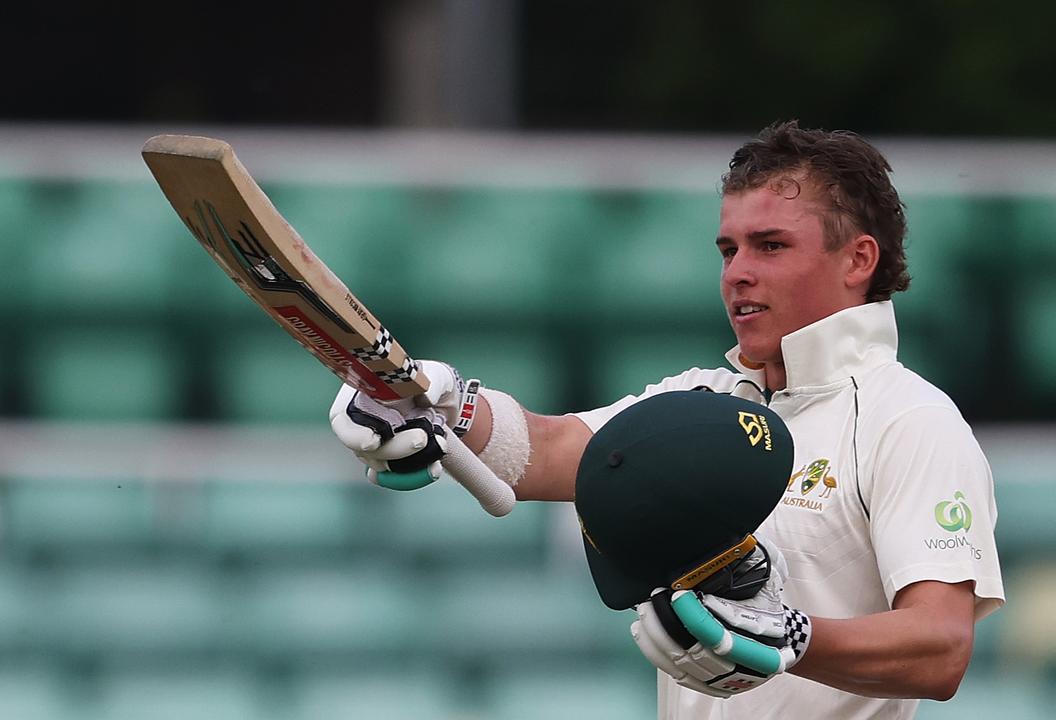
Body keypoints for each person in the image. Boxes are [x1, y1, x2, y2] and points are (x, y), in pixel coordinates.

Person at [330, 121, 1005, 719]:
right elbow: (548, 451)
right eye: (728, 250)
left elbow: (941, 648)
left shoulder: (910, 420)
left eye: (769, 246)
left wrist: (787, 637)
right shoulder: (703, 396)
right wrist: (441, 405)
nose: (738, 273)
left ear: (859, 259)